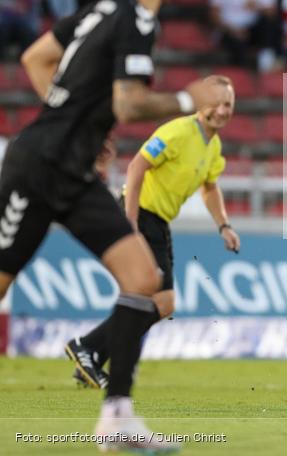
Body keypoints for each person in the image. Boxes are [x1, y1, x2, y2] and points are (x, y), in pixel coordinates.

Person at [0, 0, 219, 452]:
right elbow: (129, 103)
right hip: (39, 164)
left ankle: (116, 418)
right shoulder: (137, 19)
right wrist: (192, 100)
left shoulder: (100, 7)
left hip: (71, 170)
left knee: (144, 279)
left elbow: (37, 59)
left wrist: (78, 121)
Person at [66, 75, 241, 389]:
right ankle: (87, 346)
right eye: (216, 101)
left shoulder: (212, 145)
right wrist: (131, 222)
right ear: (202, 103)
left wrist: (224, 225)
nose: (222, 109)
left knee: (155, 301)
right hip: (141, 214)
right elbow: (136, 167)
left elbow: (210, 188)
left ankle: (90, 355)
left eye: (228, 104)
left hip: (158, 221)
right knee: (160, 300)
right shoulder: (178, 131)